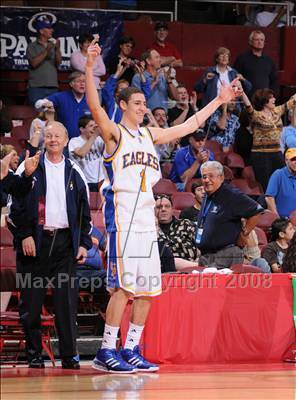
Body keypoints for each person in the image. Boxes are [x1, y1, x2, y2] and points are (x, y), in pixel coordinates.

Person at [85, 37, 241, 373]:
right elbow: (96, 109)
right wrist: (88, 68)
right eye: (138, 103)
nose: (144, 107)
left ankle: (131, 349)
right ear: (124, 105)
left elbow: (189, 125)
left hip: (145, 219)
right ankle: (105, 350)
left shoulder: (150, 135)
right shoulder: (115, 133)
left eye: (144, 103)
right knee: (124, 288)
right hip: (123, 219)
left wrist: (220, 99)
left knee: (147, 290)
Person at [9, 121, 92, 369]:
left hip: (65, 245)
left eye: (57, 135)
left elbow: (84, 214)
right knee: (31, 304)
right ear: (43, 139)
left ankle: (69, 355)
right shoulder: (29, 166)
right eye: (48, 135)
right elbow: (14, 208)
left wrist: (84, 244)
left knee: (66, 303)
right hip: (34, 243)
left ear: (66, 140)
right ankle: (34, 355)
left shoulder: (76, 171)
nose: (53, 139)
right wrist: (24, 235)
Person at [197, 161, 264, 269]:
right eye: (204, 177)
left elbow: (256, 211)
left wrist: (244, 233)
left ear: (221, 177)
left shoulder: (231, 194)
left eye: (211, 176)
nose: (207, 180)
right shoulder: (208, 194)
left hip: (226, 254)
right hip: (207, 255)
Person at [241, 88, 296, 191]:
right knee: (266, 185)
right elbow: (248, 106)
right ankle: (267, 206)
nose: (274, 99)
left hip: (277, 153)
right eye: (271, 97)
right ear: (264, 101)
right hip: (261, 155)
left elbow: (292, 101)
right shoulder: (257, 115)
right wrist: (242, 92)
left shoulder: (277, 111)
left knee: (282, 181)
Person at [36, 71, 90, 139]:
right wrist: (44, 104)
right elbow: (38, 104)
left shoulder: (91, 100)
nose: (82, 84)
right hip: (62, 141)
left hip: (84, 142)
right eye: (79, 81)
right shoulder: (61, 96)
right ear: (71, 84)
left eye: (84, 81)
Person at [102, 58, 150, 123]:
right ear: (116, 93)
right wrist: (118, 71)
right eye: (121, 89)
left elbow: (145, 94)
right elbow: (107, 89)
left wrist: (141, 74)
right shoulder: (112, 105)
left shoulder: (133, 105)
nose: (125, 90)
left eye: (126, 88)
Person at [26, 17, 61, 105]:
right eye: (48, 28)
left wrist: (57, 49)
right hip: (36, 87)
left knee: (52, 113)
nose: (52, 30)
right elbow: (34, 63)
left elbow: (58, 63)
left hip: (52, 86)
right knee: (36, 113)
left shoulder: (53, 45)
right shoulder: (32, 46)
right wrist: (46, 51)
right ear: (41, 31)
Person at [155, 194, 200, 262]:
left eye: (167, 206)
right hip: (163, 268)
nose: (163, 209)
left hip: (193, 266)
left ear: (172, 209)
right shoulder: (150, 230)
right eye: (159, 207)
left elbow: (201, 245)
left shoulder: (186, 224)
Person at [233, 30, 278, 95]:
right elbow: (235, 79)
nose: (260, 42)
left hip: (264, 100)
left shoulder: (269, 60)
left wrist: (272, 95)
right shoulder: (242, 59)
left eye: (262, 40)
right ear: (250, 42)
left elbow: (274, 81)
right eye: (257, 40)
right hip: (247, 99)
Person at [68, 116, 105, 192]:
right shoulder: (74, 141)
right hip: (85, 182)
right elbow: (81, 153)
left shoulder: (99, 139)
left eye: (95, 126)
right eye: (91, 126)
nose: (94, 129)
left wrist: (102, 133)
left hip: (101, 181)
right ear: (82, 129)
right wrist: (95, 135)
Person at [265, 148, 296, 218]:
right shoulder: (278, 174)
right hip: (284, 220)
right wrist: (278, 219)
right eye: (293, 159)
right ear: (286, 161)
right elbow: (269, 198)